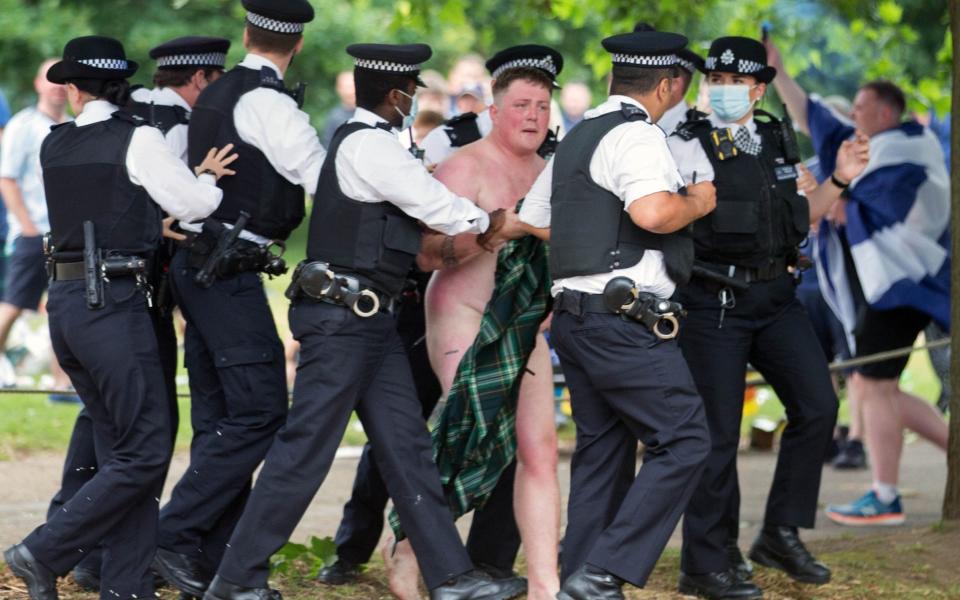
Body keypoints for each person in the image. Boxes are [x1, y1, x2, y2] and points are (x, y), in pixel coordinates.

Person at [202, 41, 525, 600]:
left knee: (408, 451)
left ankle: (451, 576)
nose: (411, 103)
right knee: (304, 452)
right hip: (342, 321)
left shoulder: (375, 144)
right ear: (399, 95)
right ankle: (234, 580)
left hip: (369, 322)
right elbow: (432, 203)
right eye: (411, 94)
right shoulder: (367, 146)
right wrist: (493, 220)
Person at [3, 34, 235, 600]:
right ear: (122, 84)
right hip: (114, 307)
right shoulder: (140, 137)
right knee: (148, 449)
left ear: (73, 88)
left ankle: (126, 586)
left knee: (122, 450)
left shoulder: (54, 145)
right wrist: (202, 176)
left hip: (67, 309)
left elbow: (100, 214)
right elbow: (197, 207)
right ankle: (44, 550)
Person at [666, 37, 870, 599]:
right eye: (716, 82)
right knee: (716, 437)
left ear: (758, 89)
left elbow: (804, 218)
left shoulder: (778, 139)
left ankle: (779, 532)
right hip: (715, 304)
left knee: (819, 405)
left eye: (735, 84)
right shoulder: (686, 142)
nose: (722, 91)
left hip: (777, 300)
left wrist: (841, 178)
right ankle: (707, 562)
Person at [519, 29, 717, 600]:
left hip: (578, 318)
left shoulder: (580, 136)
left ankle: (581, 579)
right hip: (621, 322)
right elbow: (654, 212)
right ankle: (605, 571)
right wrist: (699, 201)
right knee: (684, 440)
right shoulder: (637, 134)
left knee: (602, 454)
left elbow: (538, 218)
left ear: (612, 79)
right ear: (665, 85)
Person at [376, 44, 563, 600]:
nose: (534, 116)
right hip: (461, 314)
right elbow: (428, 254)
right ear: (495, 110)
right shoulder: (466, 165)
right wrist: (493, 233)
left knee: (540, 449)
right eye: (523, 105)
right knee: (466, 436)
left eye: (543, 107)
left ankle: (546, 586)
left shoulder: (553, 172)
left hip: (522, 324)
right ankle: (408, 551)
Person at [153, 2, 326, 596]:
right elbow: (323, 178)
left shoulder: (219, 91)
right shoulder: (268, 101)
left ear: (248, 35)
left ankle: (206, 560)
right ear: (297, 43)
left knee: (222, 419)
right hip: (227, 267)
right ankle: (174, 537)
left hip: (203, 263)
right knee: (260, 411)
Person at [765, 40, 951, 527]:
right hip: (891, 284)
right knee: (872, 383)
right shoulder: (875, 145)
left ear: (886, 112)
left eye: (864, 105)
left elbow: (862, 201)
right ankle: (895, 485)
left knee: (872, 383)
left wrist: (833, 197)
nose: (856, 112)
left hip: (910, 281)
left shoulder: (910, 148)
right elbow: (813, 118)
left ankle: (885, 494)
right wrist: (779, 71)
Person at [0, 59, 71, 392]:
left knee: (63, 308)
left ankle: (62, 382)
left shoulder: (74, 125)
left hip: (66, 234)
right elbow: (6, 178)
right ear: (37, 83)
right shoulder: (23, 125)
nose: (58, 87)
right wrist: (27, 228)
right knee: (13, 305)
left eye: (63, 82)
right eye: (51, 80)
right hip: (32, 233)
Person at [320, 70, 356, 147]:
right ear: (338, 89)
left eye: (353, 86)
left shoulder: (369, 113)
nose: (350, 91)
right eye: (346, 87)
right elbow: (327, 144)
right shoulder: (334, 117)